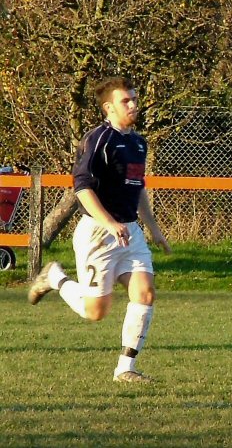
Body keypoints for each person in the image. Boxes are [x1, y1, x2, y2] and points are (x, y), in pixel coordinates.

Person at [28, 77, 171, 383]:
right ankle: (54, 277)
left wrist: (153, 228)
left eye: (134, 99)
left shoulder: (137, 143)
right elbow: (81, 188)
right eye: (126, 101)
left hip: (129, 231)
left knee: (145, 293)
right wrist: (109, 223)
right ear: (109, 107)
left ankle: (125, 369)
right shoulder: (98, 139)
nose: (133, 105)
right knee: (96, 312)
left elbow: (138, 187)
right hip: (97, 233)